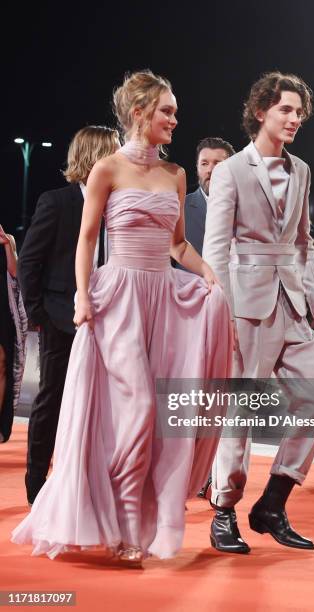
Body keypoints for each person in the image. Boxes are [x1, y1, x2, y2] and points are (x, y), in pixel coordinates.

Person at [12, 69, 232, 566]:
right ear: (140, 113)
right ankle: (127, 523)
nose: (175, 119)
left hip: (163, 299)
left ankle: (130, 522)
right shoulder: (107, 169)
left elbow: (177, 244)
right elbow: (88, 239)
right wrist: (83, 297)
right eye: (167, 111)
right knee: (136, 409)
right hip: (119, 299)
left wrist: (209, 276)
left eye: (174, 111)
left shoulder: (175, 175)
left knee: (161, 414)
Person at [203, 71, 314, 554]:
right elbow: (215, 250)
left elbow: (301, 242)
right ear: (261, 111)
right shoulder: (231, 170)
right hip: (245, 303)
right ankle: (224, 510)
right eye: (286, 109)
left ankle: (272, 503)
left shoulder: (301, 170)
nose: (295, 118)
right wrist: (222, 311)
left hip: (294, 301)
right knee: (240, 410)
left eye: (299, 112)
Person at [17, 126, 120, 506]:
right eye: (114, 151)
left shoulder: (119, 206)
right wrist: (38, 313)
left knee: (104, 404)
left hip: (111, 318)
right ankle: (36, 482)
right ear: (96, 156)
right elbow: (30, 261)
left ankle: (89, 481)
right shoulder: (57, 201)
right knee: (53, 398)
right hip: (63, 320)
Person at [0, 225, 27, 443]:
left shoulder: (7, 239)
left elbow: (16, 273)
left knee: (1, 365)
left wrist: (7, 245)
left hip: (3, 309)